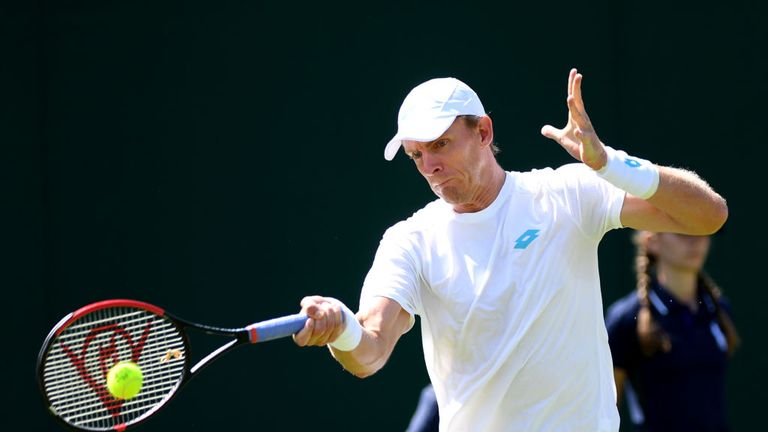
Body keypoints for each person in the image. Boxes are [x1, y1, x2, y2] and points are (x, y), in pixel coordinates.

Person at [292, 68, 728, 431]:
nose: (430, 166)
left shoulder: (567, 194)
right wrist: (342, 330)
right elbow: (369, 350)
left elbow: (708, 215)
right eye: (416, 155)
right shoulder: (410, 240)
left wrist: (609, 165)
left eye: (440, 144)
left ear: (483, 131)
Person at [605, 230, 739, 431]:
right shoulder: (625, 318)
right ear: (652, 241)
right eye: (682, 232)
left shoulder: (718, 309)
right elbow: (606, 407)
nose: (696, 241)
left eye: (702, 229)